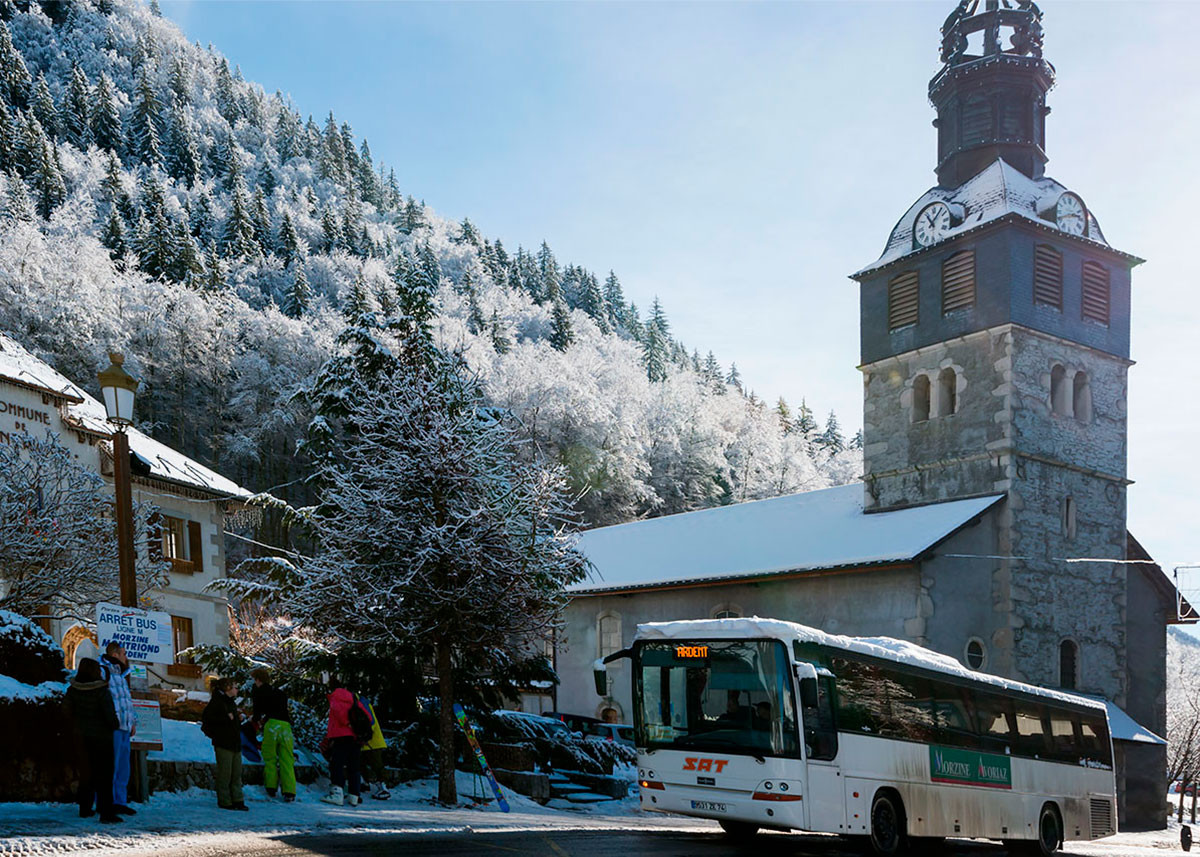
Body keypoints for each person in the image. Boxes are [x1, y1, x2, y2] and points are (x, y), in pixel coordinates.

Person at [66, 658, 121, 824]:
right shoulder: (101, 690)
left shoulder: (72, 690)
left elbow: (66, 711)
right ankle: (106, 813)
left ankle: (85, 808)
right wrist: (115, 724)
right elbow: (110, 715)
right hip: (102, 738)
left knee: (86, 774)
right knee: (104, 776)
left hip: (80, 738)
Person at [99, 642, 136, 816]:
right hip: (112, 727)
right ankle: (108, 801)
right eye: (123, 654)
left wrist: (132, 721)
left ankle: (120, 801)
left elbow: (126, 701)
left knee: (123, 768)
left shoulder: (121, 674)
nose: (126, 657)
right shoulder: (102, 671)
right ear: (115, 655)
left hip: (125, 727)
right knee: (110, 767)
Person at [202, 678, 248, 811]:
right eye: (234, 687)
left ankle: (238, 800)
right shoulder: (217, 702)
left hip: (234, 742)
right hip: (224, 743)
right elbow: (209, 722)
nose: (237, 689)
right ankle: (225, 800)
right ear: (227, 688)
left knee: (236, 773)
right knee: (225, 773)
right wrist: (226, 719)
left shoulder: (230, 703)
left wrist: (237, 720)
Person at [251, 668, 296, 802]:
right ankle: (289, 791)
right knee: (287, 759)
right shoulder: (280, 693)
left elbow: (257, 711)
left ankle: (271, 787)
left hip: (272, 726)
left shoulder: (259, 691)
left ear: (258, 680)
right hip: (286, 727)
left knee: (270, 757)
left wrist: (255, 720)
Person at [321, 677, 364, 806]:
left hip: (341, 735)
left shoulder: (336, 697)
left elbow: (339, 713)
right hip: (355, 737)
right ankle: (354, 796)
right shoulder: (353, 698)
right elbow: (366, 715)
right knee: (353, 766)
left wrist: (347, 724)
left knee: (336, 764)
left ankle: (337, 793)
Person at [358, 697, 390, 801]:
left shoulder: (361, 703)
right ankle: (365, 783)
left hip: (372, 741)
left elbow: (370, 720)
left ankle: (383, 787)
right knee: (362, 762)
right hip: (367, 741)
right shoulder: (362, 702)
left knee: (376, 765)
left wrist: (366, 735)